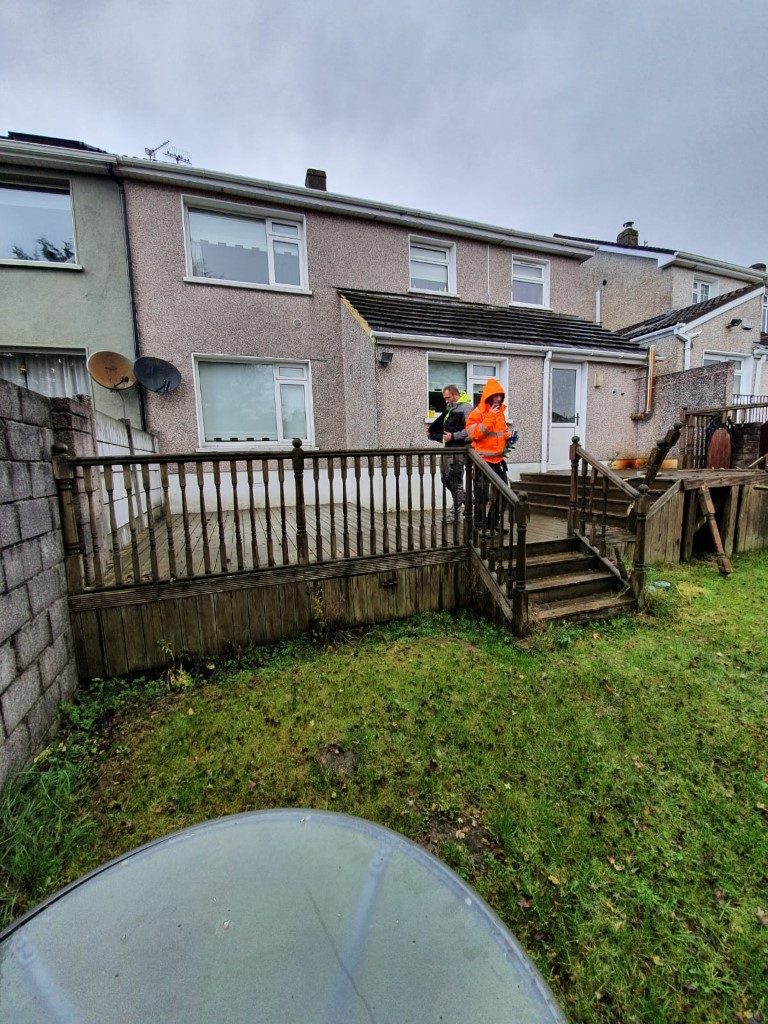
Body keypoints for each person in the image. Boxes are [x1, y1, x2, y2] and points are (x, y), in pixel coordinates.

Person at [465, 378, 513, 529]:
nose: (498, 399)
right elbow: (475, 435)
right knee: (481, 496)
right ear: (488, 396)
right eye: (495, 395)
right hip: (482, 462)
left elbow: (500, 432)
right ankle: (479, 525)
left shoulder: (501, 413)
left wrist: (508, 435)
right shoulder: (477, 413)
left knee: (504, 494)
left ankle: (492, 524)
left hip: (498, 460)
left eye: (500, 396)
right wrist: (490, 416)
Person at [427, 385, 472, 518]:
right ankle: (468, 501)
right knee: (445, 479)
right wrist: (432, 432)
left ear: (455, 395)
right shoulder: (450, 408)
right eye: (445, 398)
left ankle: (455, 512)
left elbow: (470, 430)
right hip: (447, 450)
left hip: (459, 451)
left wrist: (453, 436)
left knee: (455, 480)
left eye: (447, 398)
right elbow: (444, 426)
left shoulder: (467, 408)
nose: (446, 401)